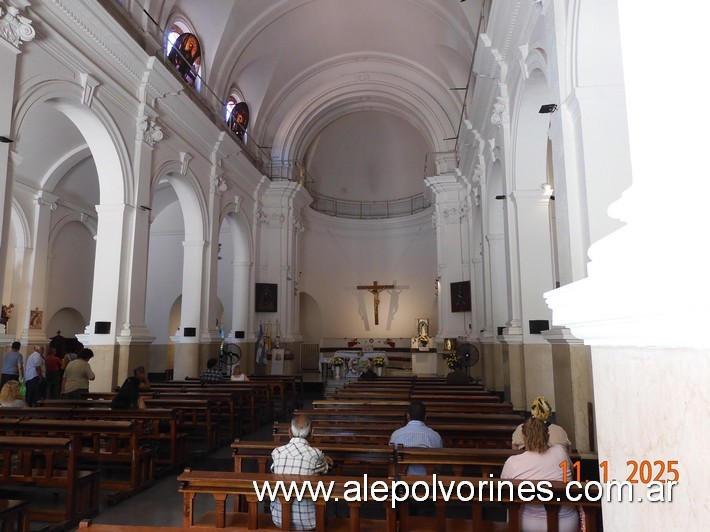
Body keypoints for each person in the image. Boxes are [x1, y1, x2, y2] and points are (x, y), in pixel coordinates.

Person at [501, 418, 578, 532]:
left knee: (512, 503)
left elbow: (503, 493)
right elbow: (572, 474)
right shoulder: (560, 452)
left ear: (524, 438)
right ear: (547, 436)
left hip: (529, 524)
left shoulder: (512, 462)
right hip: (565, 523)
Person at [270, 415, 332, 530]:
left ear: (289, 432)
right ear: (312, 433)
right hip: (310, 521)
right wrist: (324, 459)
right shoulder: (316, 454)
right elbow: (325, 469)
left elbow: (274, 469)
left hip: (279, 519)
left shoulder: (277, 452)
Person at [389, 401, 443, 475]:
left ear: (408, 415)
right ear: (425, 416)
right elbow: (439, 460)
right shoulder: (435, 436)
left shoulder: (396, 435)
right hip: (428, 480)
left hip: (402, 479)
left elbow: (392, 459)